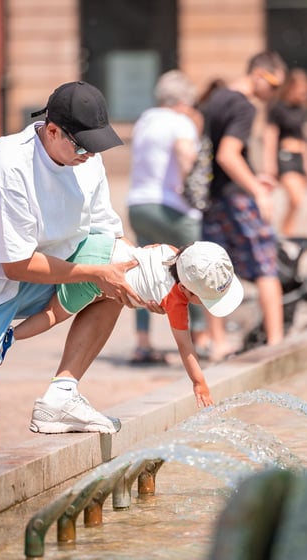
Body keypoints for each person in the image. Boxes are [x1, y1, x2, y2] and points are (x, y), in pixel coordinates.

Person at [0, 81, 152, 468]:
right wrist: (96, 273)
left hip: (30, 271)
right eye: (82, 145)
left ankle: (62, 394)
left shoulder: (87, 160)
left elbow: (109, 234)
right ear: (52, 130)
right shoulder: (5, 168)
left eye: (96, 145)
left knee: (116, 275)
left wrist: (145, 276)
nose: (89, 154)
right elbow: (15, 264)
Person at [11, 238, 244, 409]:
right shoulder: (175, 302)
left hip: (105, 245)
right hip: (95, 276)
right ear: (184, 288)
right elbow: (186, 348)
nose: (202, 304)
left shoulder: (172, 251)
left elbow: (151, 251)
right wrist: (199, 383)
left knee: (98, 301)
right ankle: (10, 337)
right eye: (203, 298)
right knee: (52, 314)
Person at [199, 51, 288, 358]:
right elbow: (228, 154)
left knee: (213, 269)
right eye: (274, 86)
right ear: (259, 74)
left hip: (213, 197)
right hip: (237, 198)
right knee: (266, 266)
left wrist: (252, 175)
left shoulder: (217, 99)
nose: (274, 94)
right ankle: (276, 345)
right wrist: (257, 190)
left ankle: (218, 343)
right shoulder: (244, 106)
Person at [126, 70, 210, 365]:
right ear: (181, 101)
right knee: (195, 267)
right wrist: (193, 185)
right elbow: (186, 155)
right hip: (171, 206)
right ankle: (201, 338)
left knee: (143, 272)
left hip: (138, 204)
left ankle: (142, 343)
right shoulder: (180, 122)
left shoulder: (145, 120)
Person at [262, 67, 307, 237]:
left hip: (300, 155)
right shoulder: (277, 108)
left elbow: (305, 138)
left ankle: (288, 233)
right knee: (295, 197)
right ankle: (284, 233)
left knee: (297, 202)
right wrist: (269, 164)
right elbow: (270, 136)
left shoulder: (302, 109)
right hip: (285, 156)